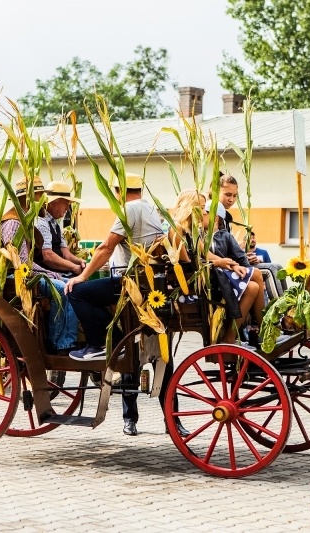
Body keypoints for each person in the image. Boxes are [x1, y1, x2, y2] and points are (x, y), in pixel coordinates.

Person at [64, 173, 187, 437]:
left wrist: (82, 275)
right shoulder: (151, 209)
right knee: (160, 359)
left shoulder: (128, 209)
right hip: (149, 287)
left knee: (78, 292)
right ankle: (172, 421)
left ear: (119, 190)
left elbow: (107, 247)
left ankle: (97, 345)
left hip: (129, 285)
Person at [0, 176, 79, 354]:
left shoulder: (26, 222)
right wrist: (52, 275)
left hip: (25, 274)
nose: (43, 202)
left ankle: (66, 340)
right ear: (29, 199)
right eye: (39, 197)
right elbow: (21, 266)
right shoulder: (14, 224)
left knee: (68, 285)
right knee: (63, 289)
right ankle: (57, 343)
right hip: (17, 277)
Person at [207, 201, 266, 346]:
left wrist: (245, 271)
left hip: (227, 273)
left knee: (253, 286)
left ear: (215, 217)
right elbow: (204, 256)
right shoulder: (201, 237)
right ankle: (264, 328)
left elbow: (239, 256)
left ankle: (233, 335)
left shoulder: (224, 236)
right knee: (257, 274)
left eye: (204, 213)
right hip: (216, 278)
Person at [35, 181, 87, 276]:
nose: (67, 208)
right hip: (50, 276)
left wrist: (81, 262)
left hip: (61, 274)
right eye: (66, 203)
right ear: (53, 202)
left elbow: (66, 254)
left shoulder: (55, 224)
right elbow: (47, 256)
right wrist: (73, 267)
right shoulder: (41, 222)